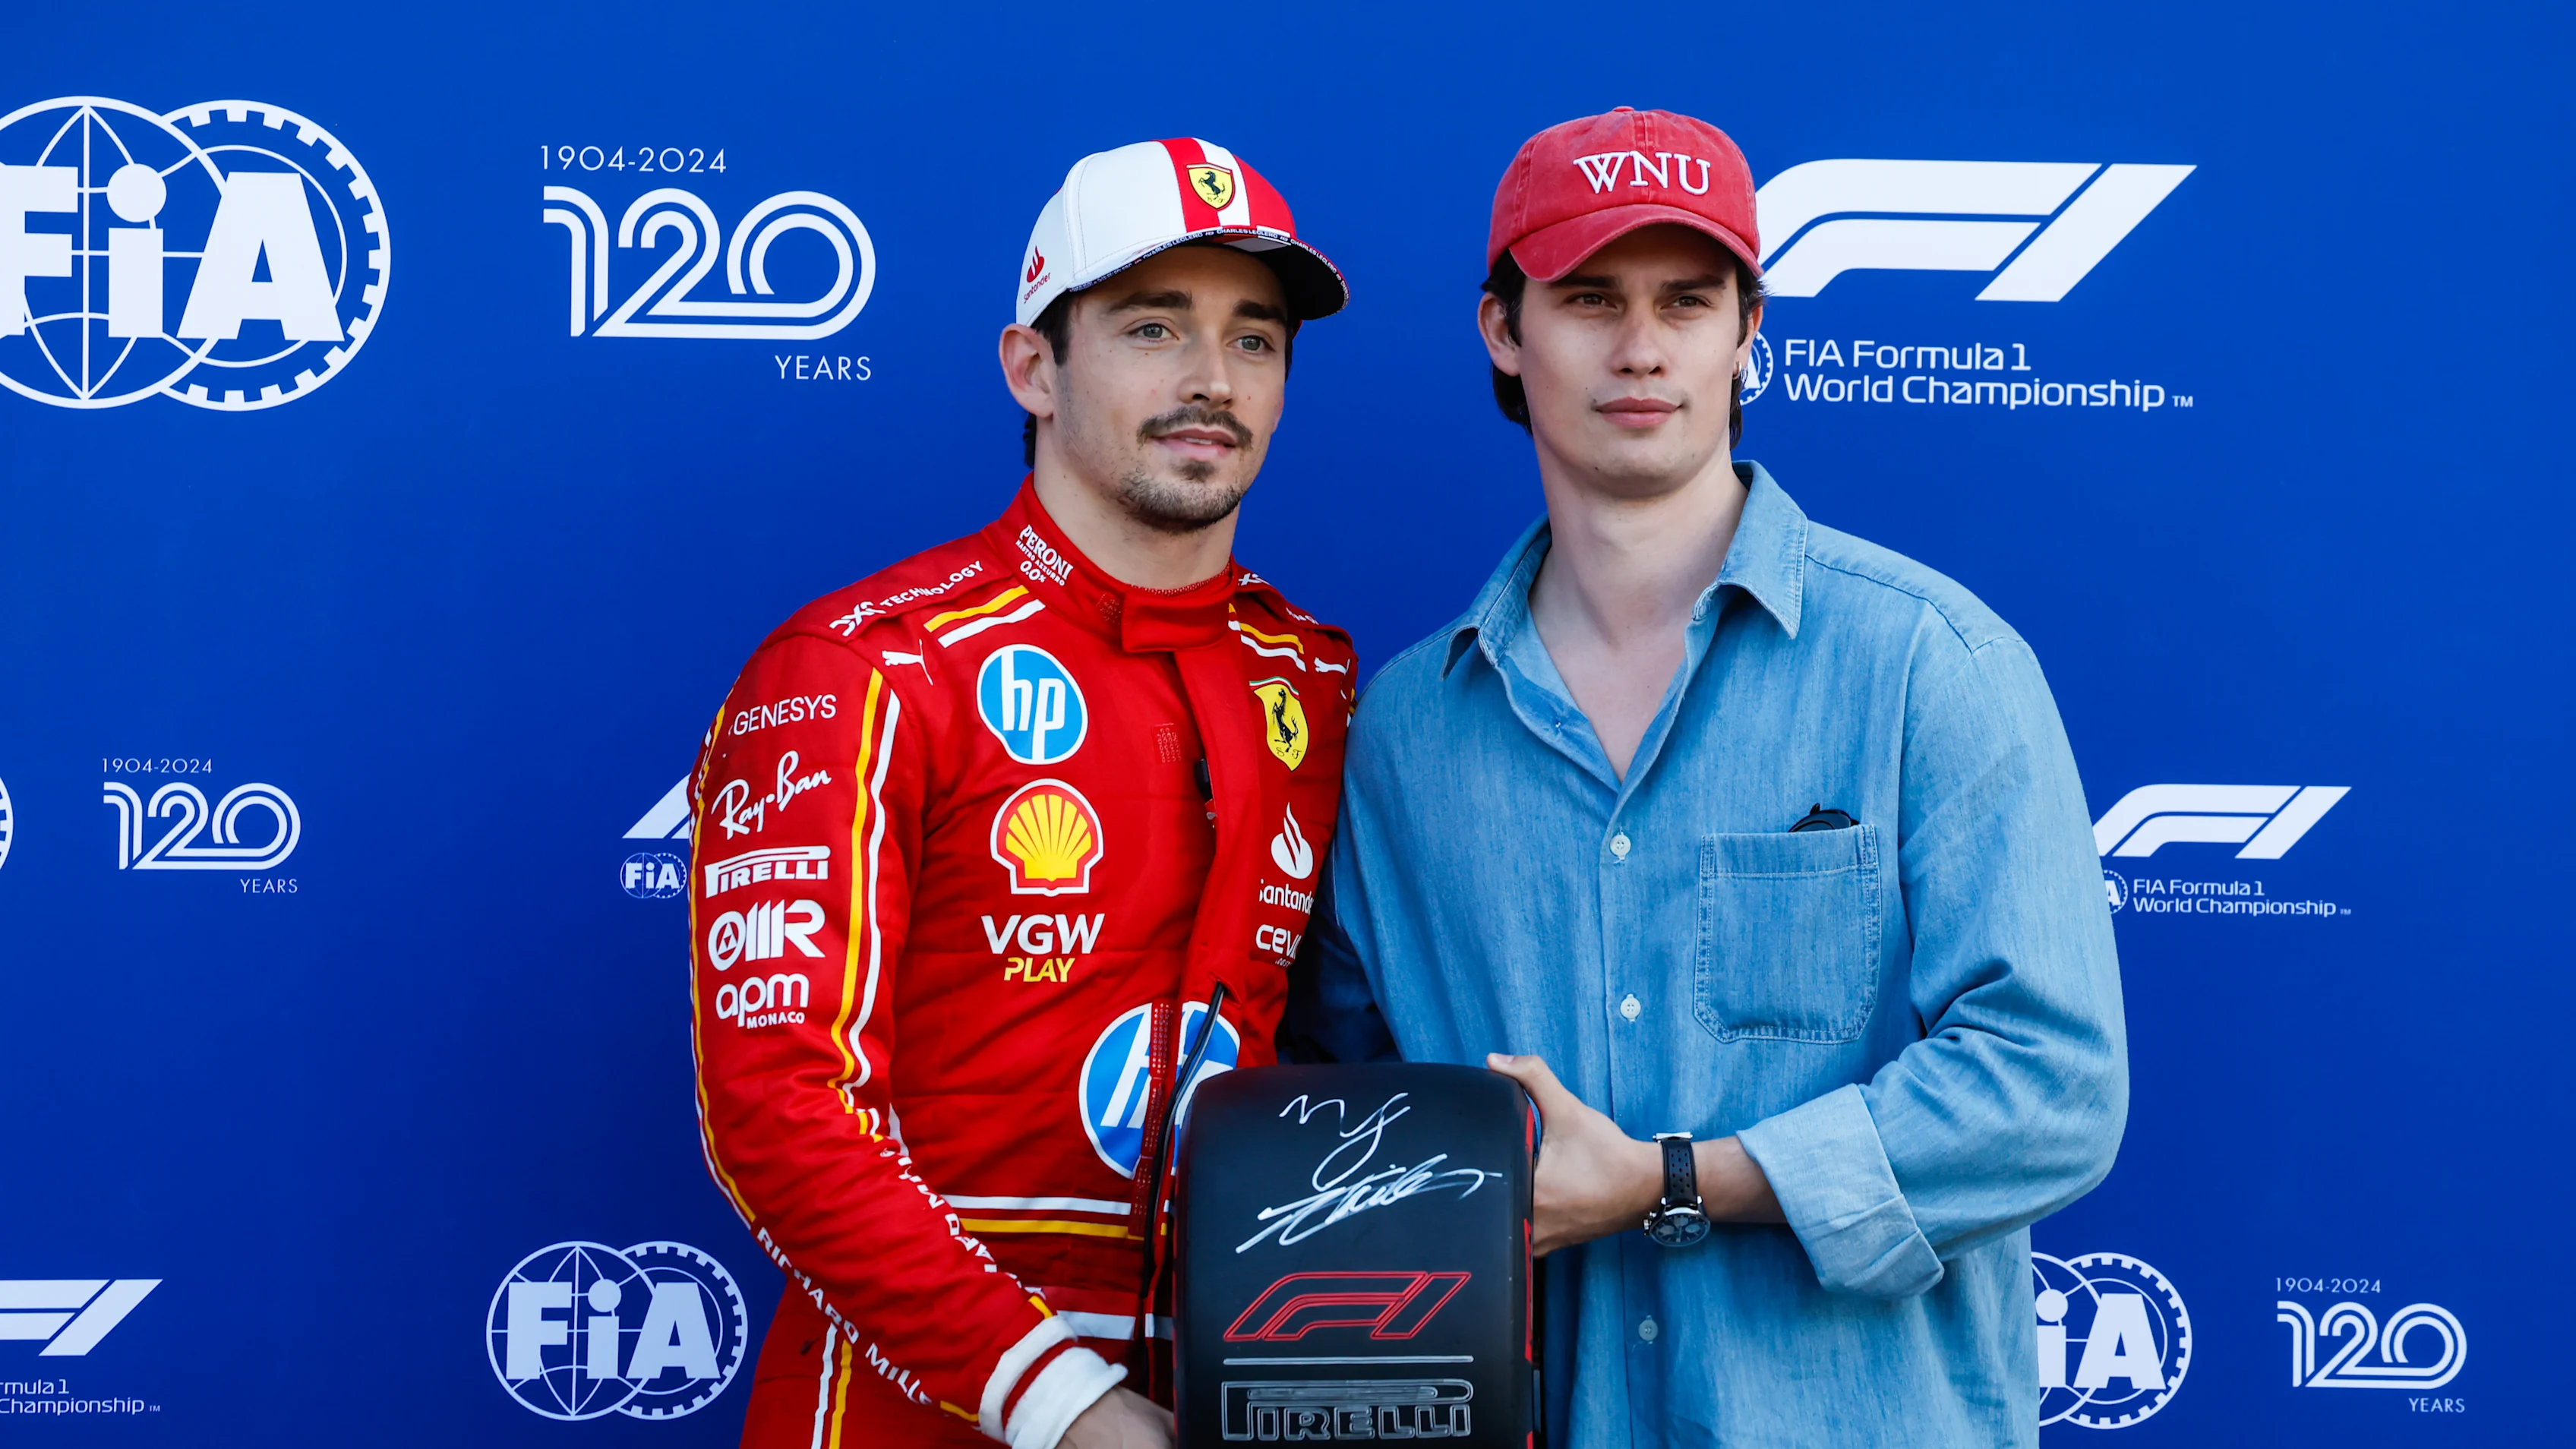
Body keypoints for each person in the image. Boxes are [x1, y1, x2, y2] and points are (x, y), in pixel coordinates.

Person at [1287, 107, 2128, 1447]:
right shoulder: (1405, 732)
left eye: (1688, 299)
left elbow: (2053, 1089)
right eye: (1588, 298)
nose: (1641, 347)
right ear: (1504, 331)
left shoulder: (1928, 664)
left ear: (1748, 332)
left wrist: (1673, 1181)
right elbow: (1344, 1118)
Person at [689, 138, 1356, 1449]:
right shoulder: (863, 667)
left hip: (1238, 1388)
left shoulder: (1317, 677)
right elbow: (780, 1109)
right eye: (1153, 327)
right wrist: (1067, 1407)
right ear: (1033, 367)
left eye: (1254, 339)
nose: (1212, 382)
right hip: (914, 1400)